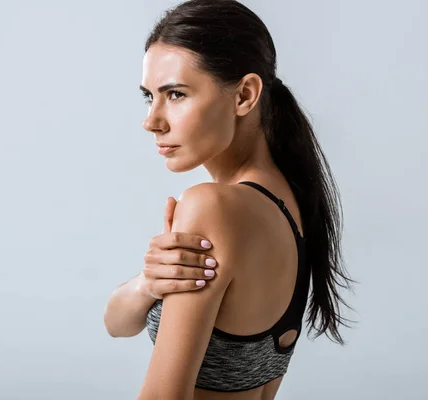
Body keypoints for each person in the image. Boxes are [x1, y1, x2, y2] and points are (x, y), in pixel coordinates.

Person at [103, 0, 354, 399]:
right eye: (149, 96)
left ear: (244, 96)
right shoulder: (288, 201)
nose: (152, 120)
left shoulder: (213, 207)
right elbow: (116, 323)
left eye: (176, 94)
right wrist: (148, 283)